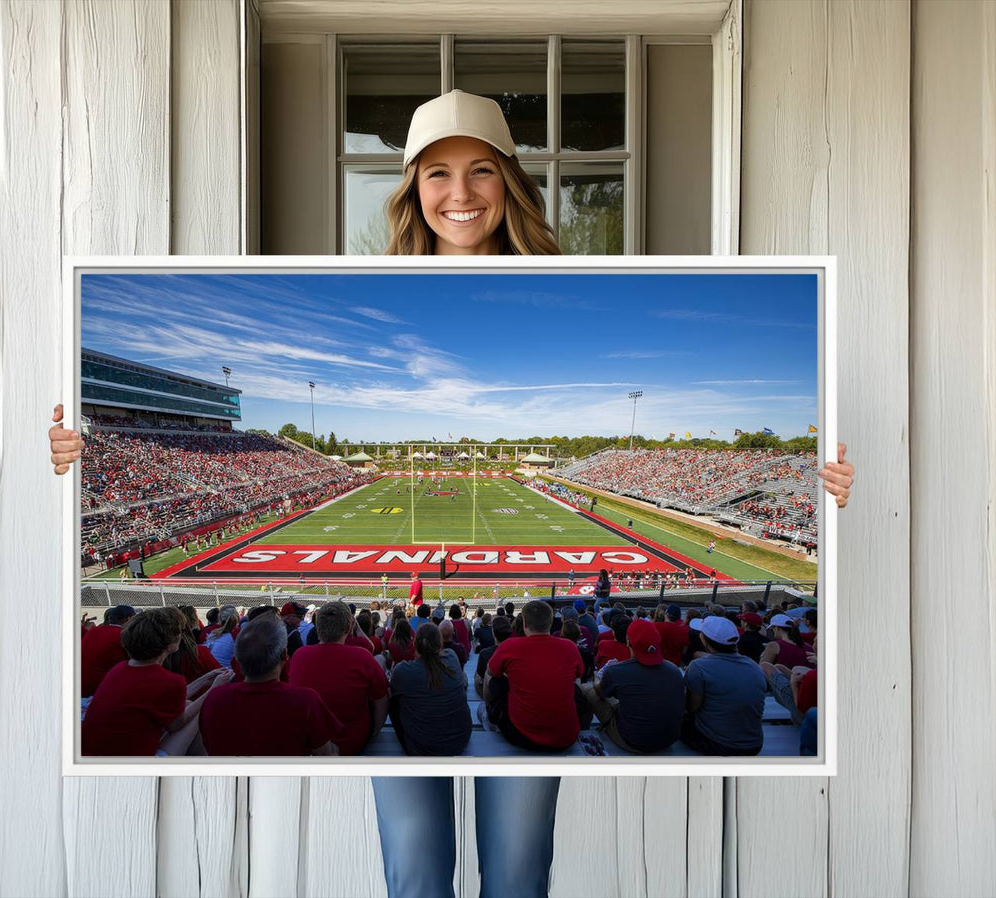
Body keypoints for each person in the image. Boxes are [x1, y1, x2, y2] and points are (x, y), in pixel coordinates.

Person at [48, 88, 855, 898]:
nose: (460, 193)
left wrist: (829, 487)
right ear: (410, 189)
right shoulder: (365, 279)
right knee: (416, 868)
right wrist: (71, 460)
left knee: (516, 866)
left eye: (480, 171)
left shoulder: (574, 280)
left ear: (510, 180)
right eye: (436, 173)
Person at [82, 607, 233, 756]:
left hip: (97, 749)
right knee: (199, 712)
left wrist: (206, 679)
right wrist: (213, 689)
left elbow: (165, 697)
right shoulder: (169, 680)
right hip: (130, 757)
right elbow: (176, 724)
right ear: (170, 643)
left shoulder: (120, 669)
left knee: (187, 704)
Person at [200, 616, 340, 756]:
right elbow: (325, 757)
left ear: (237, 659)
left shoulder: (215, 699)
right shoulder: (305, 701)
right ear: (285, 655)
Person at [287, 601, 390, 756]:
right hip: (352, 744)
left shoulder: (299, 656)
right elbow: (382, 698)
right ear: (348, 629)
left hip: (310, 747)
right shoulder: (362, 656)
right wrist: (374, 731)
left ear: (318, 627)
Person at [485, 600, 584, 751]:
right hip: (566, 737)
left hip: (520, 736)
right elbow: (579, 677)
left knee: (493, 679)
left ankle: (490, 715)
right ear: (551, 622)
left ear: (524, 623)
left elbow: (491, 672)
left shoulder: (509, 646)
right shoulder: (570, 647)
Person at [580, 619, 685, 753]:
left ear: (628, 641)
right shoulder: (674, 670)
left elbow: (600, 693)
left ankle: (583, 732)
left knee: (585, 688)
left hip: (632, 741)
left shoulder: (617, 671)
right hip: (669, 740)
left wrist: (596, 678)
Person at [681, 616, 767, 756]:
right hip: (754, 745)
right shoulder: (753, 666)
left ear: (704, 639)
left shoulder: (699, 666)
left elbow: (692, 708)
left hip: (719, 745)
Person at [389, 622, 472, 755]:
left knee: (393, 700)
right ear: (440, 644)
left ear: (415, 644)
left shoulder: (403, 670)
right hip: (460, 741)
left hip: (421, 749)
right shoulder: (451, 657)